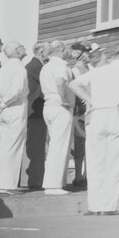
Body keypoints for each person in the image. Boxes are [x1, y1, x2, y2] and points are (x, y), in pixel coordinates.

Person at [69, 44, 119, 215]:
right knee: (114, 162)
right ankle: (107, 206)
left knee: (95, 161)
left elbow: (74, 85)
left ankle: (94, 205)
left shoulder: (98, 71)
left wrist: (89, 100)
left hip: (97, 115)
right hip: (117, 114)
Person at [39, 40, 75, 195]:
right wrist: (64, 99)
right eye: (67, 48)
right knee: (59, 146)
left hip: (48, 106)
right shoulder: (60, 65)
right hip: (60, 106)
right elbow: (60, 82)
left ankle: (53, 183)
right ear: (60, 49)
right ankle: (53, 185)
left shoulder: (46, 66)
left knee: (55, 144)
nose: (68, 51)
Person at [0, 42, 29, 193]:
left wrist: (1, 104)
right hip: (14, 107)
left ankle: (1, 183)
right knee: (13, 146)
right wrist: (4, 103)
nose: (24, 48)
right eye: (21, 46)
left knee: (4, 147)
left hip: (4, 109)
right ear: (17, 50)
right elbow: (17, 90)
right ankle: (8, 185)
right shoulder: (19, 68)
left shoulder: (3, 69)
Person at [24, 41, 48, 190]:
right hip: (36, 111)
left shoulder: (34, 66)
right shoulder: (36, 67)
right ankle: (35, 180)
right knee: (36, 146)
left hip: (35, 111)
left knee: (36, 145)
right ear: (41, 52)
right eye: (47, 51)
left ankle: (36, 179)